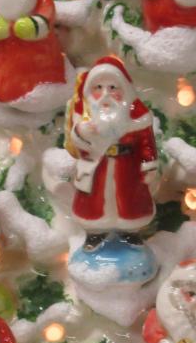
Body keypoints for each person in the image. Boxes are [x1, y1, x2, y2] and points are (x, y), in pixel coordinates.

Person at [65, 55, 158, 248]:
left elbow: (146, 142)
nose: (105, 94)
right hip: (96, 166)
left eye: (112, 87)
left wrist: (149, 165)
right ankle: (95, 232)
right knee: (95, 201)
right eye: (98, 87)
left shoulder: (137, 115)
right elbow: (76, 144)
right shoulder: (85, 115)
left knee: (129, 201)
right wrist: (82, 132)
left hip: (128, 167)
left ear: (124, 89)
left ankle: (130, 231)